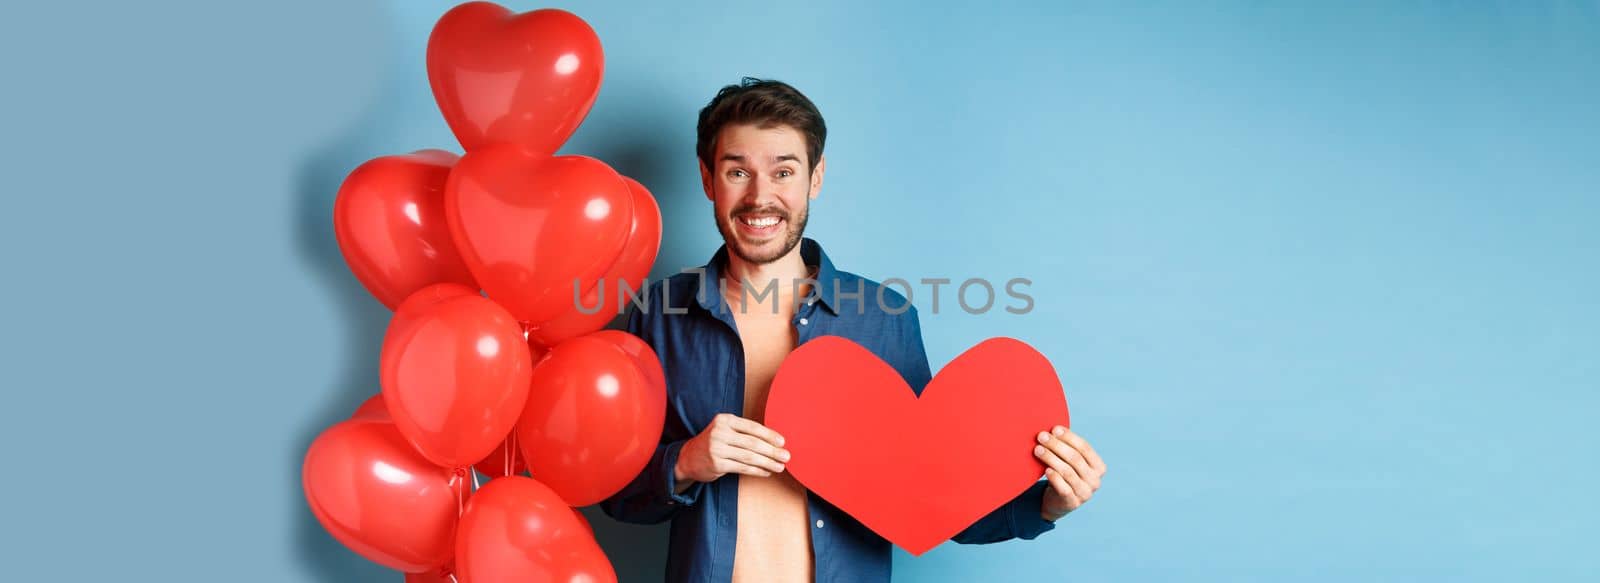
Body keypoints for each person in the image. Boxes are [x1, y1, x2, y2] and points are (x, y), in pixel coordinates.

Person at [600, 78, 1107, 583]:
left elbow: (935, 497)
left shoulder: (884, 318)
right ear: (708, 179)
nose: (760, 197)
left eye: (783, 172)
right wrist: (685, 462)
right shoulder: (660, 316)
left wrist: (1047, 505)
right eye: (738, 171)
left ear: (815, 179)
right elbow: (620, 497)